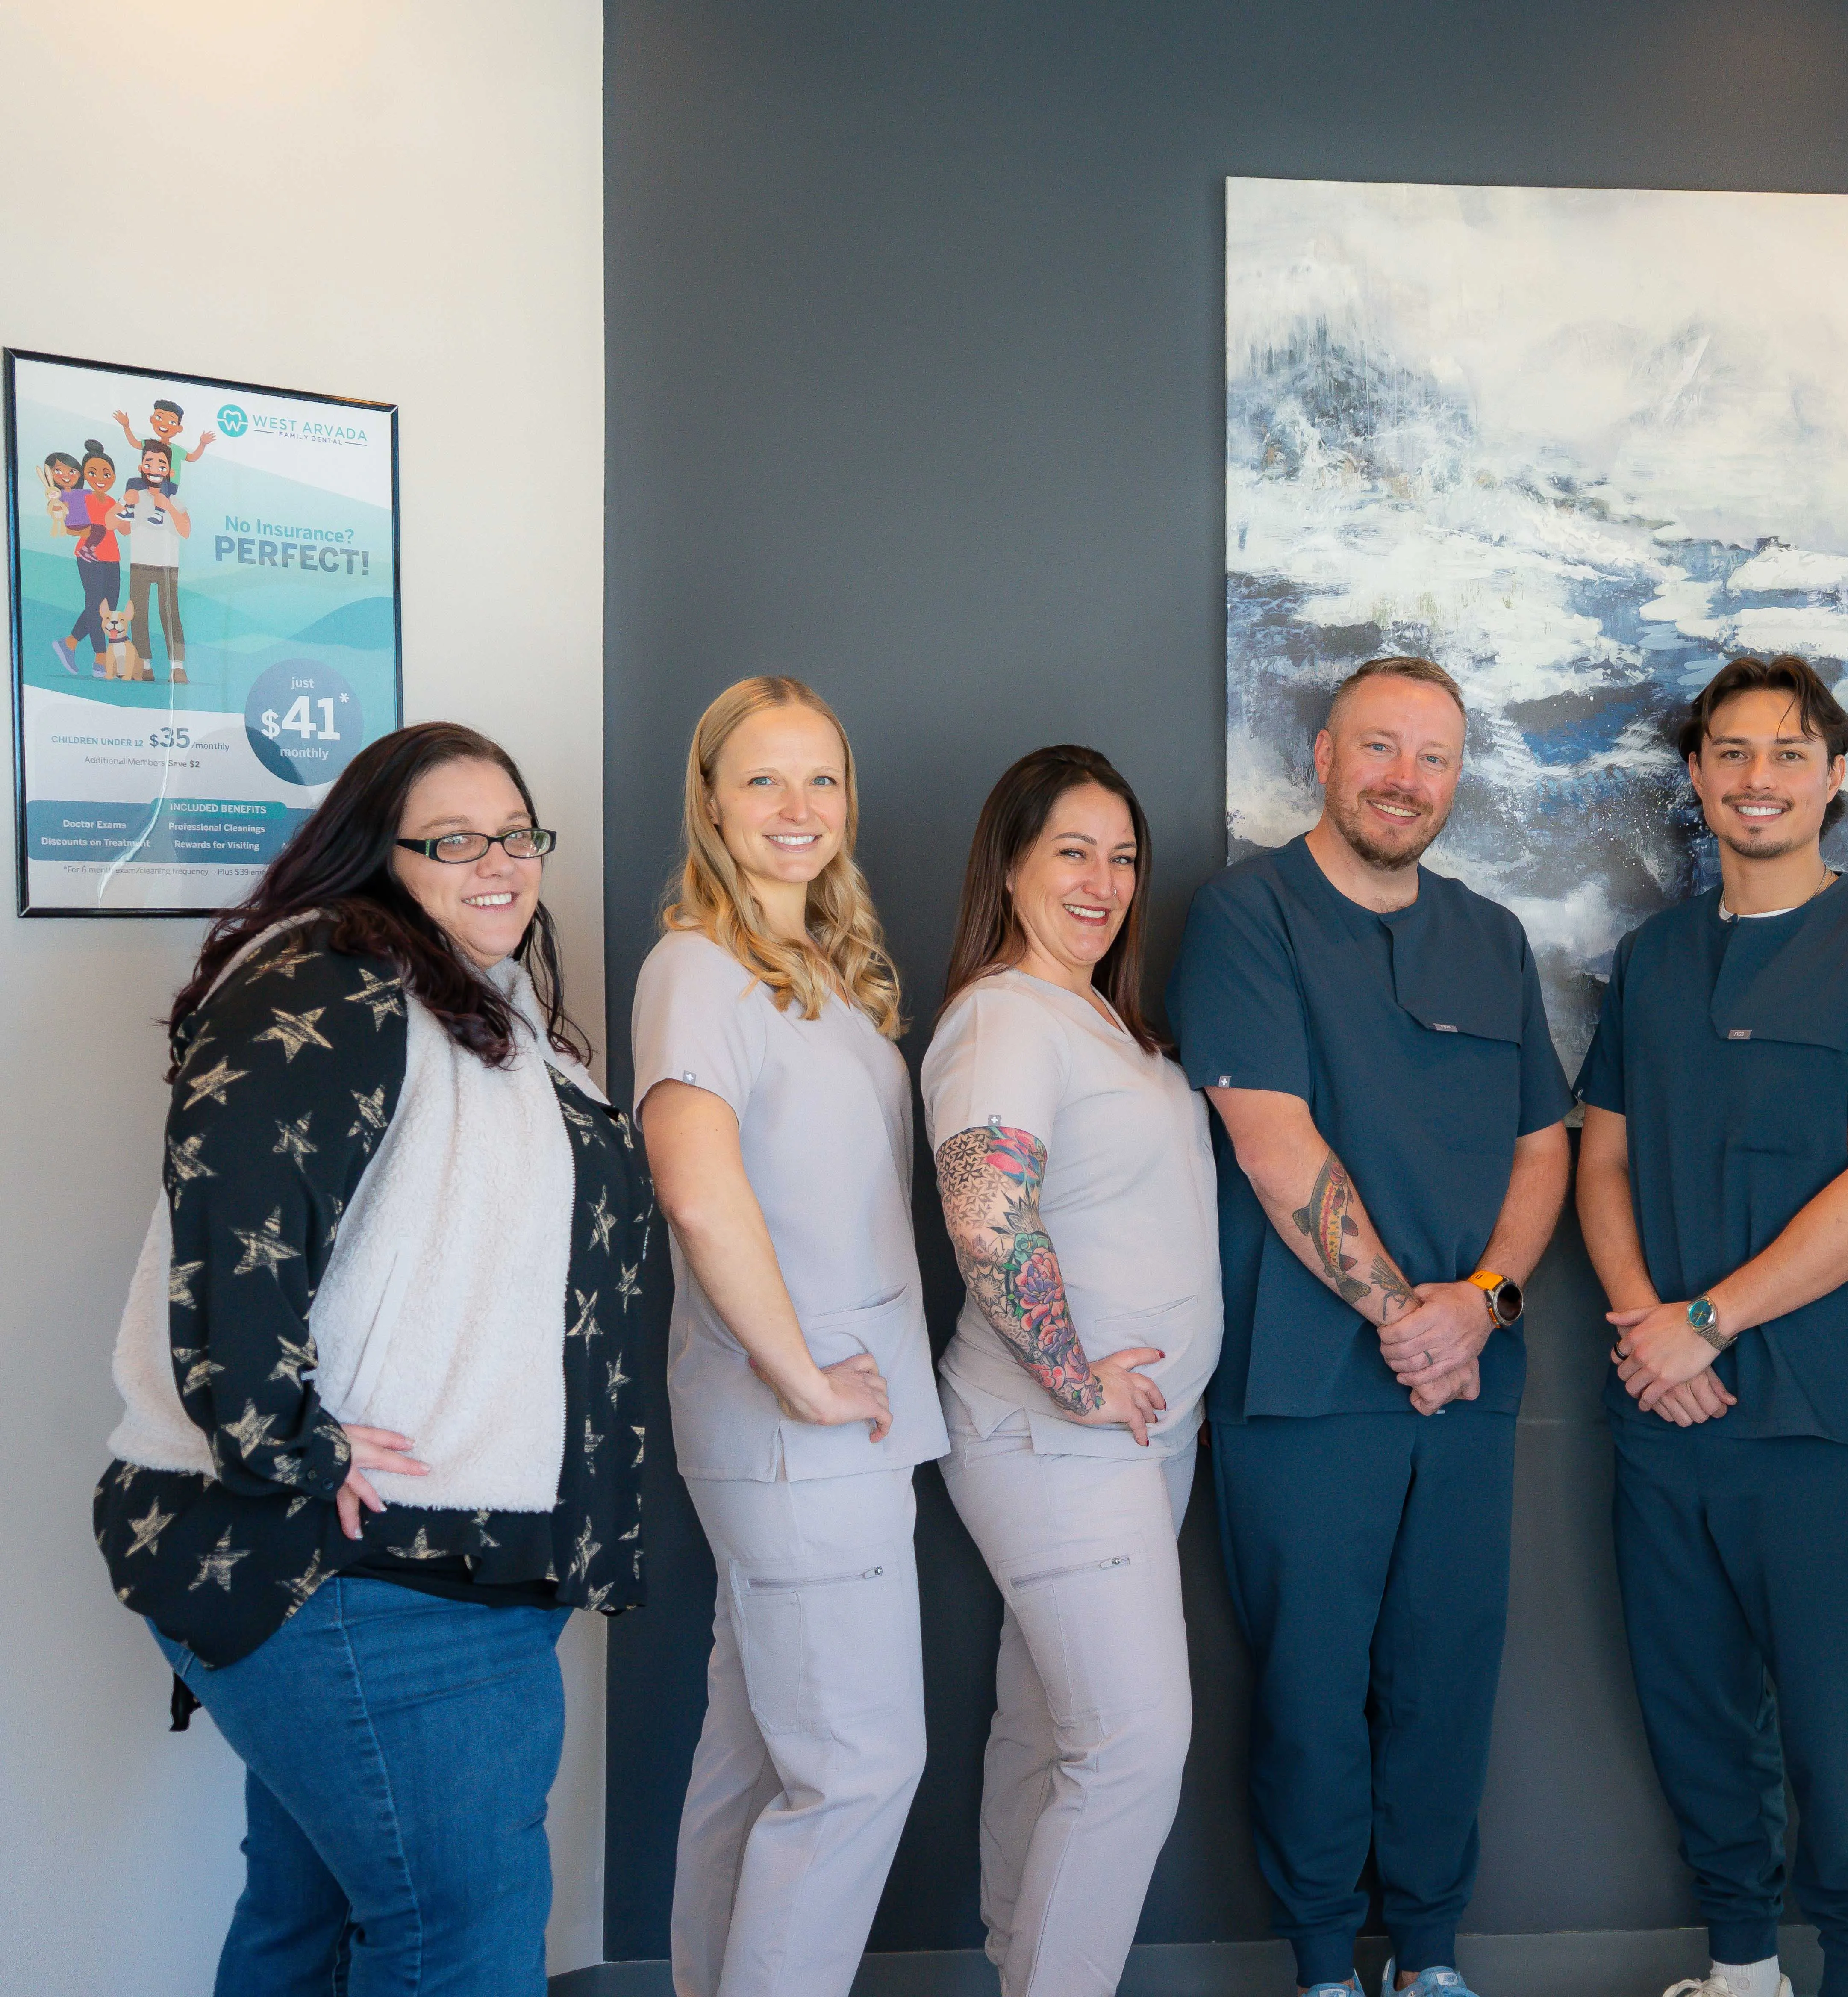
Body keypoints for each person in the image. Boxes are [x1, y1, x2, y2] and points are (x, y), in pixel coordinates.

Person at [94, 720, 660, 1997]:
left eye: (517, 835)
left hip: (434, 1561)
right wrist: (291, 1443)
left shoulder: (485, 1006)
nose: (500, 863)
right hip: (370, 1565)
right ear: (375, 854)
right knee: (466, 1932)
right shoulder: (331, 977)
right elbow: (234, 1216)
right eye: (454, 840)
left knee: (311, 1918)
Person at [1167, 655, 1571, 1997]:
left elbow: (1541, 1151)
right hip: (1306, 1387)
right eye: (1380, 749)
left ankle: (1434, 1960)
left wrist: (1481, 1308)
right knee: (1310, 1695)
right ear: (1326, 756)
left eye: (1434, 757)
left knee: (1444, 1684)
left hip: (1464, 1379)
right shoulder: (1244, 919)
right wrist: (1409, 1320)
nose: (1405, 779)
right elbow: (1275, 1147)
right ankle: (1327, 1964)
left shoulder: (1491, 939)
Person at [1574, 654, 1848, 1997]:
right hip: (1660, 1409)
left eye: (1786, 753)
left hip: (1817, 1415)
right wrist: (1646, 1330)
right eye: (1731, 754)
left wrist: (1705, 1320)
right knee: (1691, 1713)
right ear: (1694, 776)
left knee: (1831, 1730)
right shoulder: (1651, 959)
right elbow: (1603, 1164)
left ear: (1834, 773)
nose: (1757, 779)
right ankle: (1741, 1968)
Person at [634, 676, 947, 1997]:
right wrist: (803, 1380)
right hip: (792, 1434)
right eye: (763, 779)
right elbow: (696, 1190)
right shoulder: (696, 965)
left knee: (757, 1759)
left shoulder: (811, 966)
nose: (798, 808)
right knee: (858, 1769)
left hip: (824, 1431)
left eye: (820, 780)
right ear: (709, 798)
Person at [929, 745, 1221, 1997]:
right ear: (1009, 863)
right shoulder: (1002, 1013)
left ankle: (1018, 1966)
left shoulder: (1108, 1019)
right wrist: (1071, 1372)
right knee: (1133, 1744)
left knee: (1051, 1729)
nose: (1103, 882)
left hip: (1135, 1443)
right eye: (1072, 852)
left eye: (1122, 858)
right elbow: (986, 1204)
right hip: (1053, 1439)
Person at [113, 439, 192, 683]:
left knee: (170, 614)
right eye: (149, 462)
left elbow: (186, 530)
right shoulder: (135, 496)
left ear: (170, 470)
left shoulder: (175, 501)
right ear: (141, 467)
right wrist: (124, 504)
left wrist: (168, 507)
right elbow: (122, 530)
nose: (155, 468)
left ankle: (177, 667)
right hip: (140, 563)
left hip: (169, 566)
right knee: (140, 615)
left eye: (161, 463)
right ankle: (145, 665)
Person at [45, 439, 122, 676]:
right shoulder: (79, 497)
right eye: (93, 472)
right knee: (95, 605)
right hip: (90, 556)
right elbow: (68, 526)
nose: (100, 477)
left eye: (106, 473)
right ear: (86, 475)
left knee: (110, 606)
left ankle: (69, 643)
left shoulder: (110, 500)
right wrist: (87, 531)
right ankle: (101, 657)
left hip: (113, 557)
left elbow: (121, 527)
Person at [114, 393, 216, 482]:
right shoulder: (149, 444)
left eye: (171, 422)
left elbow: (192, 457)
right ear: (152, 419)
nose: (163, 424)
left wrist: (203, 444)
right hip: (149, 480)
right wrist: (126, 426)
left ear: (179, 428)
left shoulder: (176, 450)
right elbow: (135, 443)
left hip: (170, 484)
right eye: (159, 418)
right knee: (132, 484)